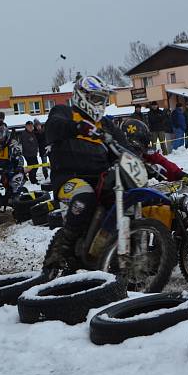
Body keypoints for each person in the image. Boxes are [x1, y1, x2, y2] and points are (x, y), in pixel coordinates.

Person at [42, 74, 128, 270]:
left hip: (102, 178)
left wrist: (141, 159)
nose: (100, 104)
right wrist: (77, 127)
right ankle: (62, 246)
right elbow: (53, 127)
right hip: (70, 178)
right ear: (83, 96)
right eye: (96, 98)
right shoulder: (64, 112)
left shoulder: (106, 124)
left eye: (103, 100)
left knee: (127, 198)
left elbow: (124, 147)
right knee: (85, 196)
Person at [122, 119, 188, 183]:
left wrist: (180, 174)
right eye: (143, 140)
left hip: (143, 190)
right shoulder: (117, 154)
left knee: (156, 168)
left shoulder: (146, 152)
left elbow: (162, 162)